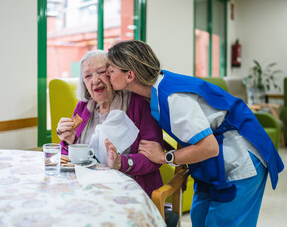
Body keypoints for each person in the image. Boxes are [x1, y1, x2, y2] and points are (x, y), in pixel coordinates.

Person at [106, 40, 284, 226]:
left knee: (223, 221)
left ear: (130, 75)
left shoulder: (174, 98)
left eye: (111, 71)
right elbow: (186, 133)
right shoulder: (153, 92)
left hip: (240, 158)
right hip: (213, 160)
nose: (107, 75)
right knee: (199, 218)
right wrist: (178, 161)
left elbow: (209, 147)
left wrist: (164, 157)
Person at [56, 50, 164, 197]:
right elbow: (68, 157)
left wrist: (122, 163)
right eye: (88, 76)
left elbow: (154, 158)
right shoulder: (83, 107)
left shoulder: (137, 103)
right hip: (87, 187)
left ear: (112, 74)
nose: (95, 80)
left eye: (101, 72)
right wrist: (67, 142)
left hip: (129, 190)